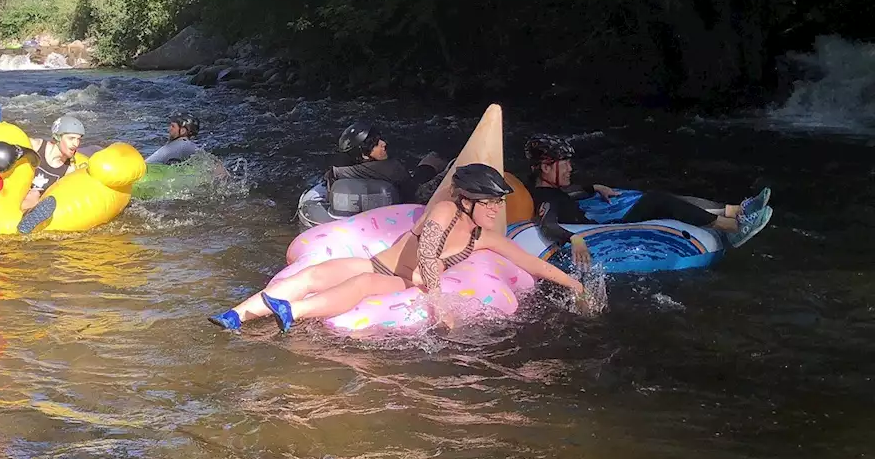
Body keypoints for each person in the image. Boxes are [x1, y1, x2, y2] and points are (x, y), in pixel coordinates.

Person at [210, 163, 584, 331]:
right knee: (313, 274)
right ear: (466, 201)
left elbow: (532, 264)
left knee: (359, 288)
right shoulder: (443, 210)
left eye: (496, 204)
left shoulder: (484, 238)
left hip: (402, 282)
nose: (494, 210)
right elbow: (428, 250)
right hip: (378, 263)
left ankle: (292, 312)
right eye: (487, 203)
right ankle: (237, 314)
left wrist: (574, 285)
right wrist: (439, 300)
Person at [525, 135, 773, 269]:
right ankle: (733, 227)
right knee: (658, 200)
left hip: (598, 219)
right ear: (546, 168)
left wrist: (594, 187)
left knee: (656, 198)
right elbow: (548, 224)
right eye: (564, 163)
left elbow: (572, 192)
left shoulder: (554, 190)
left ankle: (736, 210)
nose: (570, 168)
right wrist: (574, 238)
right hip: (605, 228)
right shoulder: (545, 198)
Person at [325, 120, 447, 204]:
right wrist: (447, 174)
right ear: (363, 154)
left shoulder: (338, 173)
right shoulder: (392, 169)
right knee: (433, 161)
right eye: (376, 143)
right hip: (408, 199)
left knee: (428, 164)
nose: (383, 144)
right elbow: (417, 195)